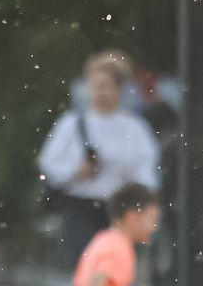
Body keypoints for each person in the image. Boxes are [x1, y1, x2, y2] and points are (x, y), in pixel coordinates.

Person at [38, 52, 160, 272]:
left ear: (120, 89)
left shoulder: (134, 128)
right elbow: (49, 165)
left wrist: (136, 196)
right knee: (87, 271)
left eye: (108, 86)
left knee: (116, 272)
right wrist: (76, 172)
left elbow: (146, 171)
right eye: (96, 86)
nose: (101, 93)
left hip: (118, 210)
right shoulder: (71, 124)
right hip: (79, 208)